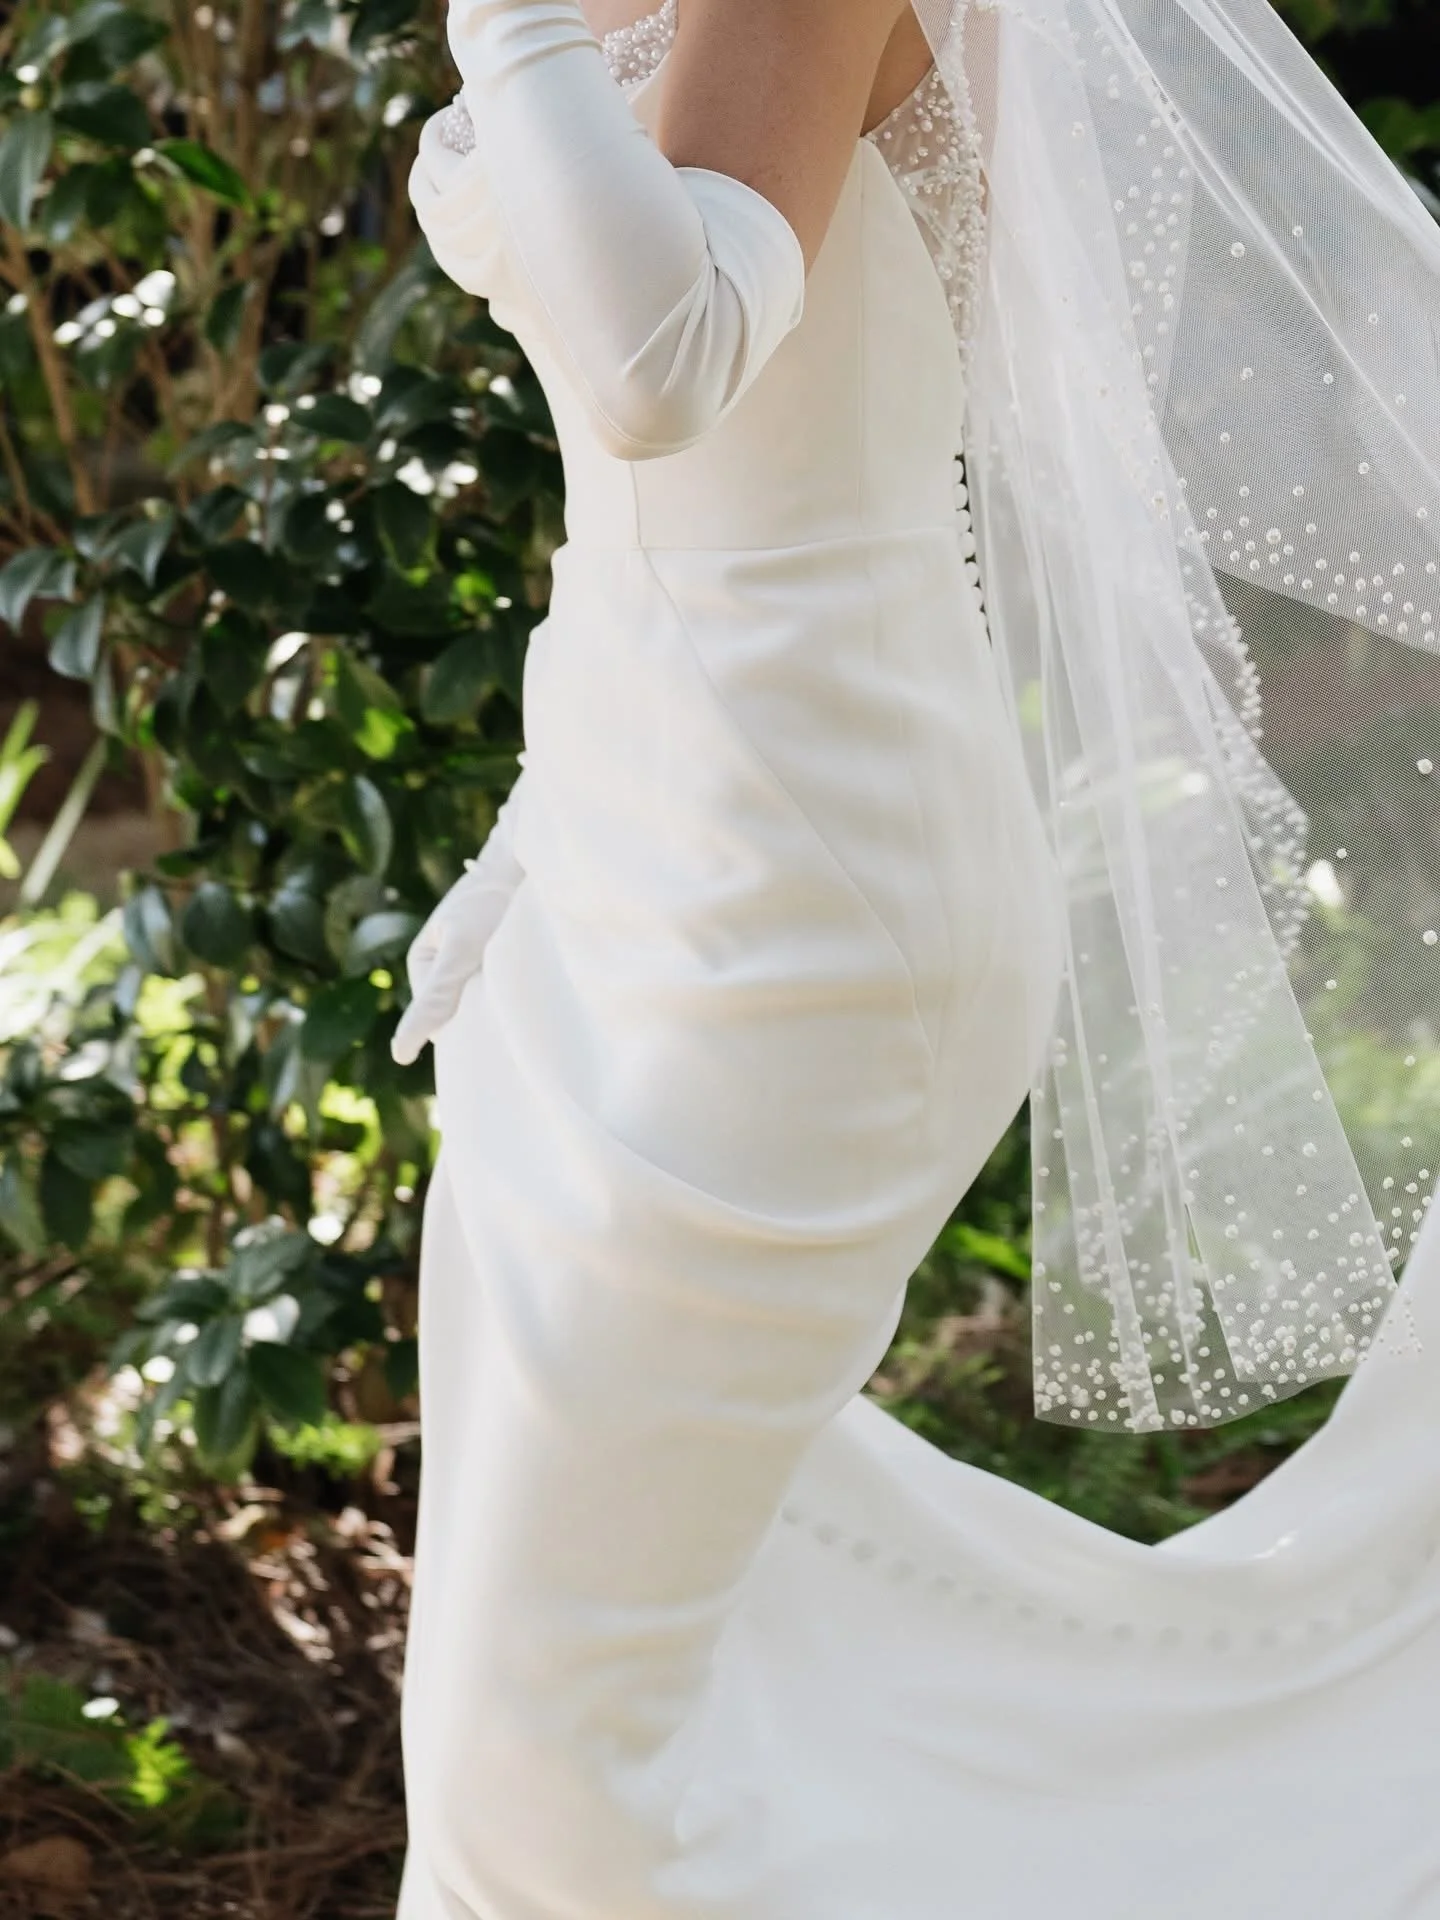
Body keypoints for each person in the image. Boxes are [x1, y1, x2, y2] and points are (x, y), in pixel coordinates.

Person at [391, 0, 1440, 1911]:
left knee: (534, 1750)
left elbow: (665, 363)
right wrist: (536, 839)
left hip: (809, 901)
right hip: (615, 855)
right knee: (563, 1680)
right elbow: (649, 518)